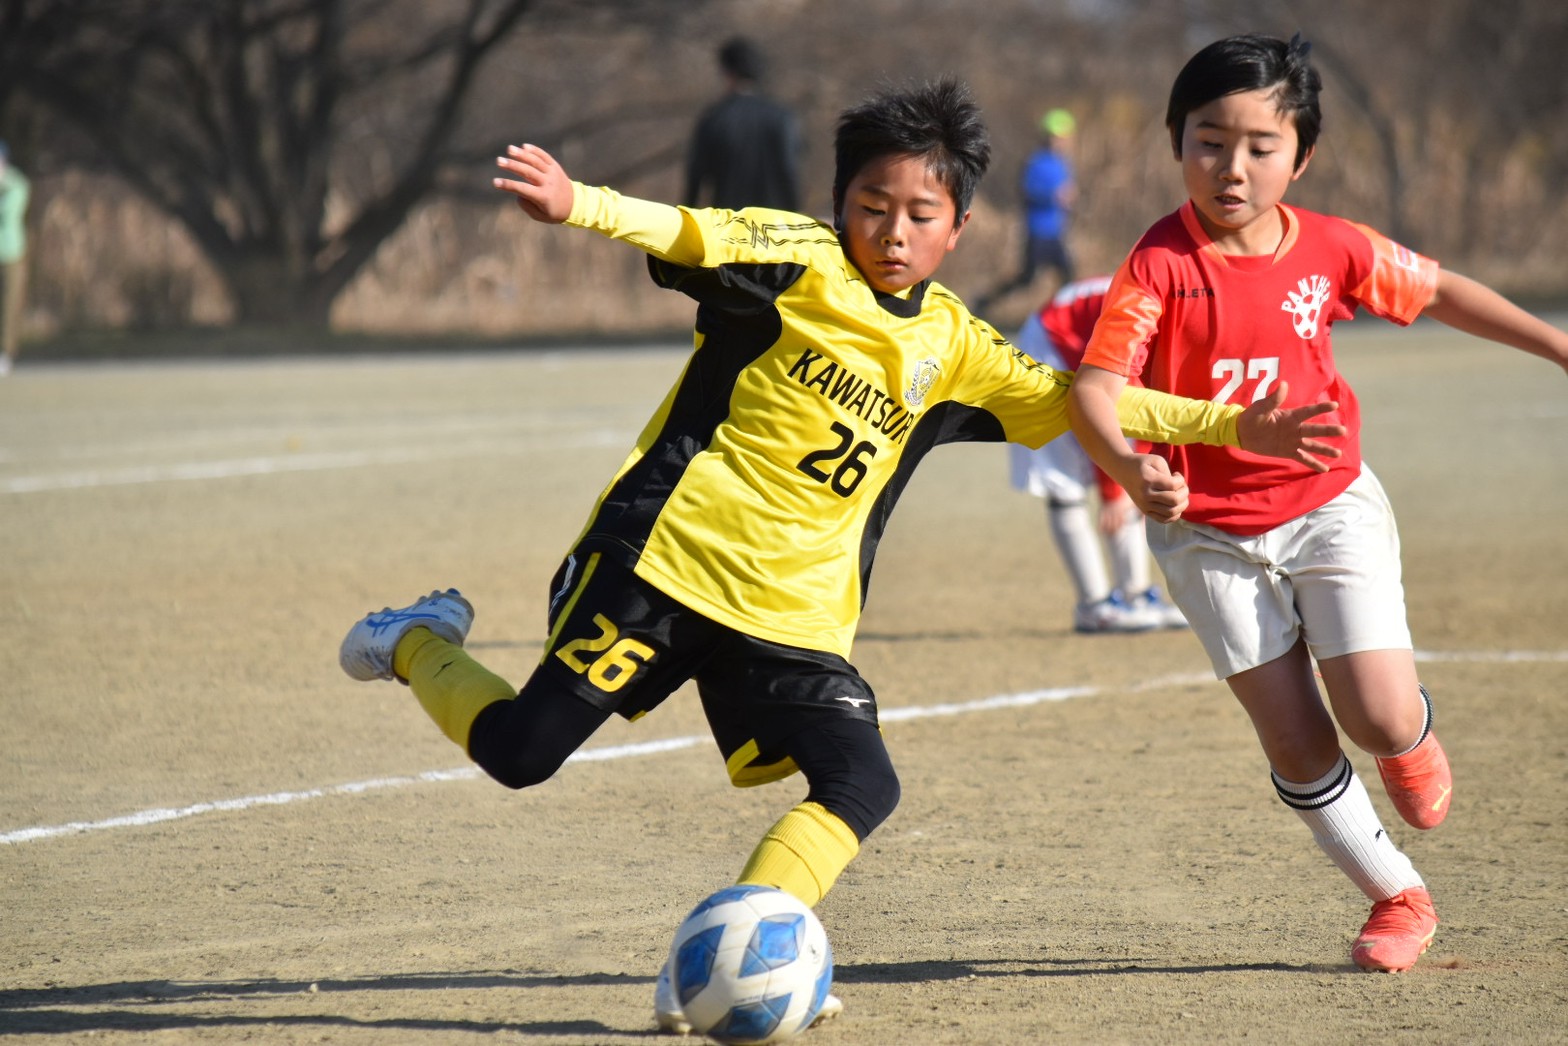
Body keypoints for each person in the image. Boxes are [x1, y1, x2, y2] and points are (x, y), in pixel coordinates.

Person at [339, 78, 1343, 1033]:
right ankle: (419, 639)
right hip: (665, 566)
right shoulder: (793, 257)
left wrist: (1230, 425)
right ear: (838, 201)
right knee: (521, 752)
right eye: (871, 204)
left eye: (918, 214)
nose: (892, 232)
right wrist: (576, 204)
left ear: (957, 227)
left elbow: (1088, 399)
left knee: (861, 782)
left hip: (793, 614)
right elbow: (684, 229)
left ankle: (747, 946)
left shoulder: (955, 347)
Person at [1067, 33, 1568, 974]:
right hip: (1206, 534)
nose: (1233, 166)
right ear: (1176, 141)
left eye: (1262, 145)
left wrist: (1557, 345)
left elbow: (1443, 291)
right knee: (1295, 737)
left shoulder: (1331, 248)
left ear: (1301, 155)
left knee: (1375, 717)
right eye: (1210, 140)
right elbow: (1093, 389)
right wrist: (1134, 472)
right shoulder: (1158, 263)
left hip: (1330, 505)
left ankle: (1405, 735)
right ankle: (1398, 897)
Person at [1008, 275, 1188, 633]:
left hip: (1079, 330)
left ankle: (1136, 595)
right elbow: (1111, 410)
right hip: (1052, 341)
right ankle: (1094, 606)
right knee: (1066, 484)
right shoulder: (1142, 317)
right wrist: (1115, 487)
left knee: (1133, 486)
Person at [682, 35, 802, 212]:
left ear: (727, 72)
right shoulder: (782, 117)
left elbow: (695, 178)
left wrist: (687, 219)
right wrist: (796, 215)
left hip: (727, 224)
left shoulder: (714, 118)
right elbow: (789, 171)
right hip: (772, 226)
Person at [976, 108, 1076, 314]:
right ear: (1048, 138)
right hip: (1038, 231)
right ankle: (984, 301)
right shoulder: (1037, 162)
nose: (1062, 142)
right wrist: (1053, 196)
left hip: (1055, 232)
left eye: (1065, 138)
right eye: (1058, 138)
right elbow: (1027, 191)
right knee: (1027, 279)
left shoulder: (1062, 163)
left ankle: (1058, 316)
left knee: (1068, 276)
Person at [0, 140, 29, 377]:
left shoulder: (16, 184)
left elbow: (8, 214)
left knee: (9, 305)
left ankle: (6, 354)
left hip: (10, 253)